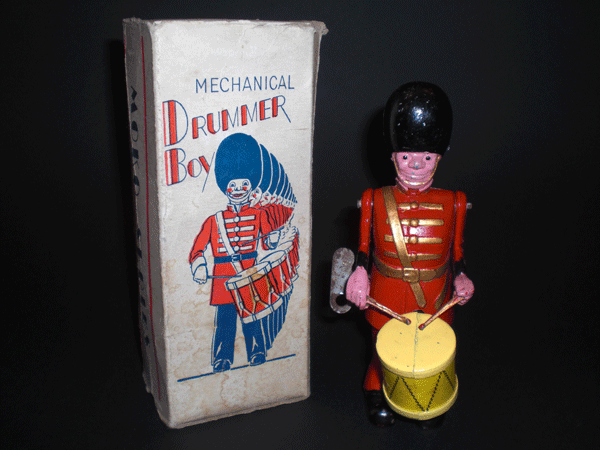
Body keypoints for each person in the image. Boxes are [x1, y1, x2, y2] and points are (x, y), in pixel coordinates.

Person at [345, 82, 474, 426]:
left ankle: (430, 396)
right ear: (392, 156)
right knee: (382, 347)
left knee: (432, 348)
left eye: (427, 157)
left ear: (439, 157)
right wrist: (359, 273)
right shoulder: (373, 199)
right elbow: (363, 248)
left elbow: (456, 251)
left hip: (435, 293)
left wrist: (461, 277)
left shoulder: (455, 202)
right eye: (406, 156)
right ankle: (376, 388)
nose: (416, 164)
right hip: (385, 289)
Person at [189, 133, 279, 372]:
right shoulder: (214, 220)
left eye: (244, 185)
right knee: (225, 320)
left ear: (251, 186)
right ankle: (222, 358)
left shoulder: (260, 214)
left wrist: (272, 237)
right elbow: (197, 249)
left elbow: (268, 243)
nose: (238, 190)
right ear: (225, 188)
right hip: (223, 277)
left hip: (250, 272)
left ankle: (257, 352)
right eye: (233, 185)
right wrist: (199, 265)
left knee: (252, 317)